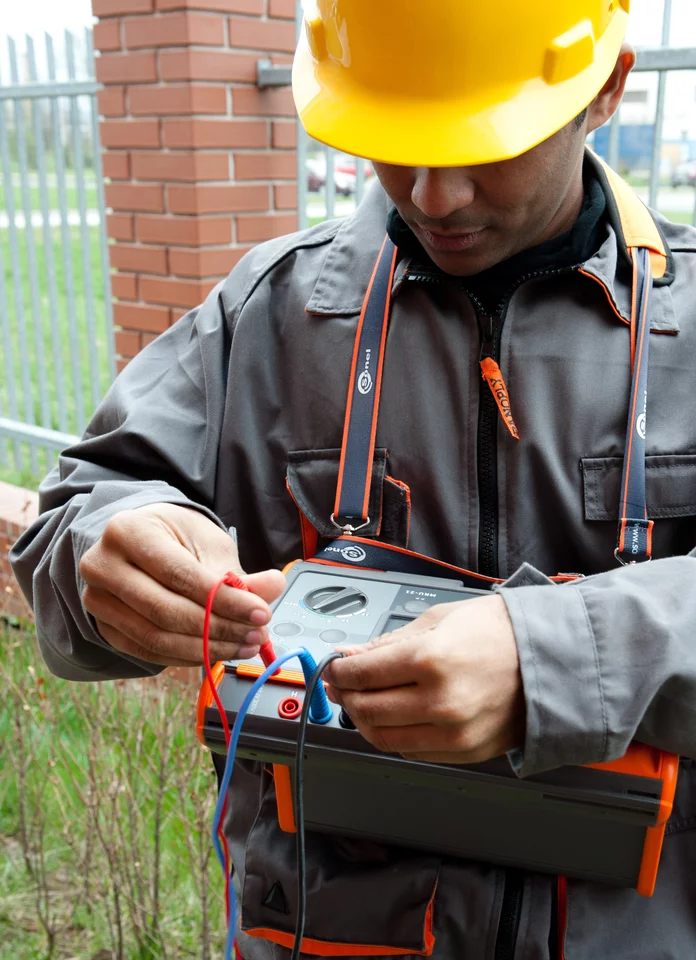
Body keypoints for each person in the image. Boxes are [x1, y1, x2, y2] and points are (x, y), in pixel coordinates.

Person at [10, 0, 696, 956]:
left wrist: (556, 662)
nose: (434, 193)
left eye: (482, 144)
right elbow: (75, 517)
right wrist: (103, 552)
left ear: (606, 89)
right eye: (396, 141)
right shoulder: (270, 313)